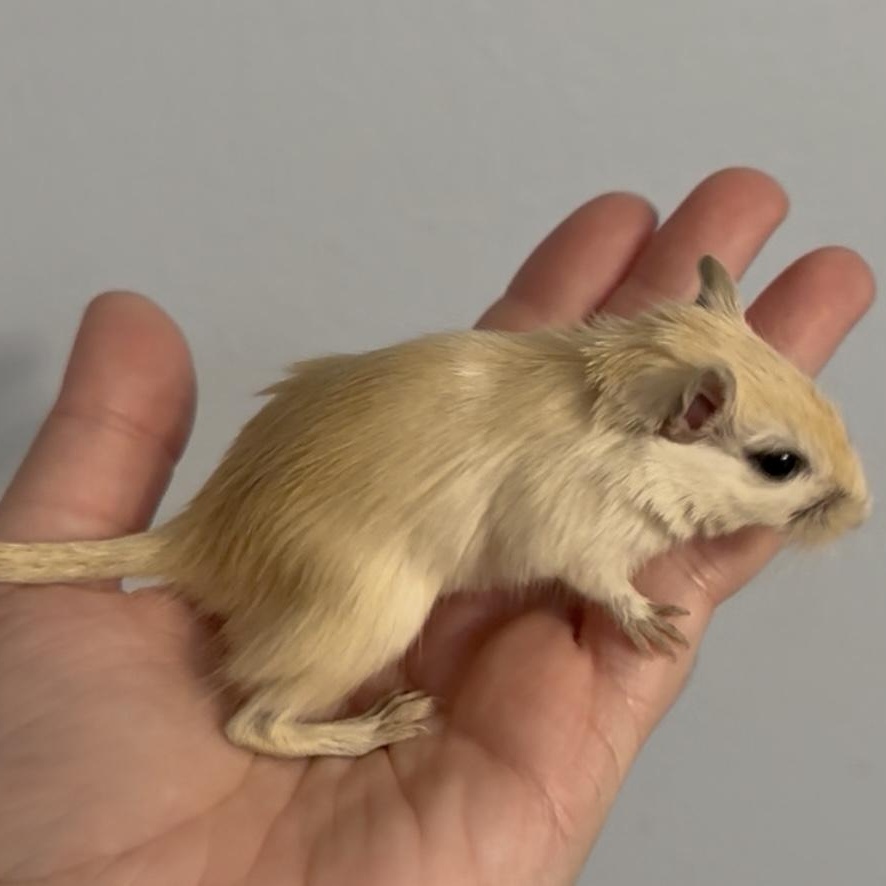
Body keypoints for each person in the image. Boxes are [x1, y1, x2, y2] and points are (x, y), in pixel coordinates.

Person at [0, 167, 873, 885]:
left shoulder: (584, 409)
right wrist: (620, 597)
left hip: (337, 487)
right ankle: (275, 720)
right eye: (780, 467)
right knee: (382, 598)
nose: (832, 505)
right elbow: (555, 538)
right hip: (343, 536)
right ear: (689, 416)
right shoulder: (596, 465)